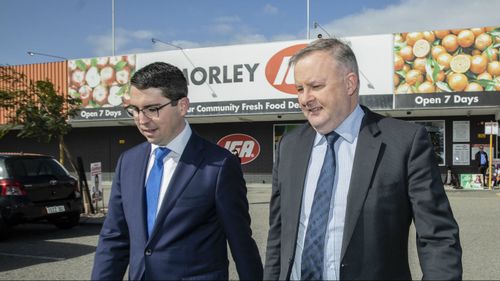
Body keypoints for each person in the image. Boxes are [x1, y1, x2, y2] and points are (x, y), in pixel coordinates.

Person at [264, 38, 462, 280]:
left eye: (315, 86)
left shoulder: (404, 143)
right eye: (299, 89)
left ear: (350, 84)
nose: (305, 99)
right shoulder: (289, 146)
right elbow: (278, 235)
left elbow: (438, 237)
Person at [91, 62, 262, 280]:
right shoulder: (128, 162)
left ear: (182, 106)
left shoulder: (220, 165)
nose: (142, 120)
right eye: (135, 109)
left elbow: (241, 242)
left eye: (153, 109)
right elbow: (114, 237)